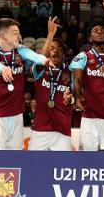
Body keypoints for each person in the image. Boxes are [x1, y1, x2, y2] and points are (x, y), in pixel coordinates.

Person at [0, 18, 52, 150]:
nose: (18, 36)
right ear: (2, 35)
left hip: (17, 114)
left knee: (16, 157)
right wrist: (2, 68)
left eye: (18, 32)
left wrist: (45, 60)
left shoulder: (20, 51)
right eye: (14, 32)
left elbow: (35, 56)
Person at [70, 22, 104, 152]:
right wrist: (77, 97)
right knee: (87, 156)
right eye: (95, 30)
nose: (99, 32)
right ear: (90, 38)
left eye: (103, 30)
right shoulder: (83, 56)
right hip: (90, 116)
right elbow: (77, 78)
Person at [29, 17, 74, 151]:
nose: (55, 50)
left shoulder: (71, 72)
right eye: (52, 48)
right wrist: (50, 34)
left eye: (59, 48)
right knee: (34, 168)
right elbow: (40, 60)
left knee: (61, 169)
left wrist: (71, 98)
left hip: (62, 130)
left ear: (64, 54)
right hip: (40, 129)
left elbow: (77, 95)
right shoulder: (40, 71)